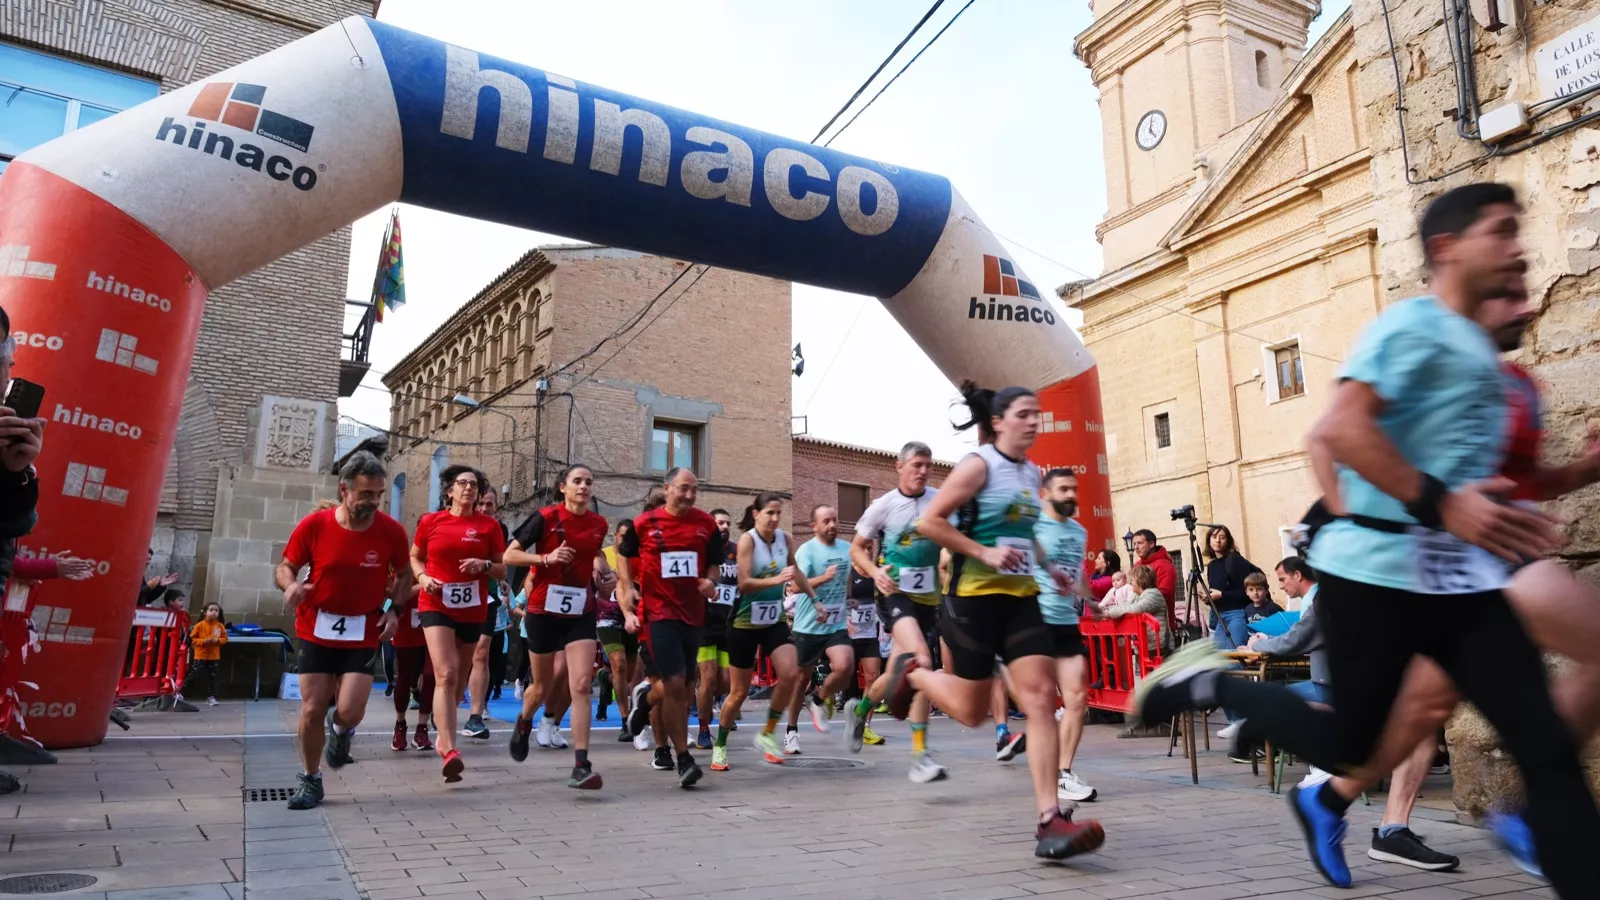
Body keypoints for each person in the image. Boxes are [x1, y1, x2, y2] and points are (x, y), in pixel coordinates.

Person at [1133, 183, 1600, 896]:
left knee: (1548, 755)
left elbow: (1477, 473)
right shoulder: (1411, 327)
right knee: (1350, 744)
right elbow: (1340, 431)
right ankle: (1207, 682)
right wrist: (1439, 504)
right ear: (1448, 249)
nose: (1517, 249)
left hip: (1464, 587)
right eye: (1501, 232)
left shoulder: (1482, 356)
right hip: (1375, 581)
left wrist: (1557, 479)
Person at [884, 383, 1105, 860]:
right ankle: (916, 674)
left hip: (1022, 600)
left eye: (1037, 415)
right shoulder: (978, 465)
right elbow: (931, 523)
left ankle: (1051, 820)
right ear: (1000, 421)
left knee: (1042, 699)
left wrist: (1052, 570)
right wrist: (983, 551)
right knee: (971, 712)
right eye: (1024, 414)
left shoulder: (1032, 473)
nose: (1033, 422)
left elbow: (1025, 533)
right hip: (973, 600)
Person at [276, 451, 410, 809]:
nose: (374, 501)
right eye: (366, 494)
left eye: (379, 494)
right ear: (345, 490)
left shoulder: (391, 531)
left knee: (349, 710)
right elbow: (286, 567)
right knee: (312, 708)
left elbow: (405, 574)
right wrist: (290, 586)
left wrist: (395, 610)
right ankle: (310, 779)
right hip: (316, 624)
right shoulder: (315, 526)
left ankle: (340, 732)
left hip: (363, 627)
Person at [845, 441, 948, 783]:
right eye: (916, 464)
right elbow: (856, 549)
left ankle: (859, 711)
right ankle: (920, 756)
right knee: (921, 660)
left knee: (895, 675)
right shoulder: (883, 506)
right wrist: (875, 573)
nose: (922, 471)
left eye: (927, 465)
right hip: (894, 595)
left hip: (929, 601)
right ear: (899, 466)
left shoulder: (939, 499)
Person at [616, 468, 722, 787]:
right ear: (668, 488)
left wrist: (711, 581)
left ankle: (646, 700)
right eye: (683, 489)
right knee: (676, 683)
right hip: (658, 613)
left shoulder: (706, 525)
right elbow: (622, 553)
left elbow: (714, 564)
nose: (689, 495)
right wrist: (627, 586)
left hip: (693, 614)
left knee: (685, 687)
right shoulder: (645, 523)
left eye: (694, 490)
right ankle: (684, 759)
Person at [505, 464, 608, 789]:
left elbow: (592, 556)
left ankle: (581, 764)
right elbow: (509, 556)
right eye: (577, 481)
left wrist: (604, 571)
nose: (584, 487)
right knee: (541, 687)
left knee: (580, 685)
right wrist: (545, 559)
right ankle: (524, 722)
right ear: (563, 487)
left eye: (588, 482)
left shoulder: (598, 524)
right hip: (543, 611)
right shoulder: (546, 517)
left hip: (580, 611)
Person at [411, 465, 507, 784]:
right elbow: (415, 557)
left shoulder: (489, 526)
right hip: (436, 603)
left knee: (459, 682)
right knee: (446, 673)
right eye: (462, 484)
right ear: (450, 491)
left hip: (472, 608)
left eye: (474, 485)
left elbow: (502, 569)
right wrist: (423, 578)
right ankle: (449, 750)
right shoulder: (430, 521)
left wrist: (485, 565)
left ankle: (443, 726)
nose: (468, 488)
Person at [709, 492, 817, 770]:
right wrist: (775, 578)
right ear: (756, 514)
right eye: (769, 512)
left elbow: (796, 573)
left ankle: (768, 733)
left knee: (792, 674)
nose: (775, 518)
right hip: (743, 623)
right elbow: (743, 583)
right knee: (738, 693)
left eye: (778, 513)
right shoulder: (748, 540)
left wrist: (814, 599)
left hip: (773, 621)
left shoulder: (784, 539)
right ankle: (720, 744)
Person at [1034, 468, 1098, 804]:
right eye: (1063, 489)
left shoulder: (1079, 530)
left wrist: (1091, 601)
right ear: (1045, 493)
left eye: (1074, 489)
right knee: (1042, 704)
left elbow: (1077, 575)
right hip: (1036, 621)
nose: (1071, 495)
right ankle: (1043, 772)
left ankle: (1063, 774)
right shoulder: (1032, 528)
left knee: (1077, 699)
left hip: (1067, 622)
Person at [785, 505, 856, 754]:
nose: (832, 525)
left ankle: (817, 698)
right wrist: (822, 579)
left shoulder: (847, 549)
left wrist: (850, 604)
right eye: (826, 521)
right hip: (809, 625)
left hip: (835, 623)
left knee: (846, 666)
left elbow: (849, 579)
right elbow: (794, 587)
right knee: (800, 679)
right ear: (814, 526)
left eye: (835, 520)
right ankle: (791, 731)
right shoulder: (806, 551)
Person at [461, 487, 511, 741]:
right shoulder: (455, 524)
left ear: (496, 507)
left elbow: (502, 565)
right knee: (457, 660)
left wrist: (495, 574)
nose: (483, 508)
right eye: (480, 503)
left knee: (481, 653)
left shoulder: (497, 531)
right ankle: (443, 703)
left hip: (486, 597)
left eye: (489, 504)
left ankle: (475, 716)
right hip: (453, 598)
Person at [598, 519, 644, 746]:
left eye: (629, 536)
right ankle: (625, 721)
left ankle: (606, 679)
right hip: (607, 617)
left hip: (633, 617)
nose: (625, 540)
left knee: (631, 675)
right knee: (619, 664)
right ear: (615, 536)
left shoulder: (639, 557)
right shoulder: (605, 555)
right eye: (622, 535)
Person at [695, 508, 737, 749]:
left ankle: (709, 701)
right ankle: (703, 729)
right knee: (708, 680)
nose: (723, 526)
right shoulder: (703, 550)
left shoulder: (736, 551)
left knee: (726, 682)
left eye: (727, 523)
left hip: (728, 623)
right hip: (705, 623)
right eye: (719, 522)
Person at [389, 587, 435, 752]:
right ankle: (400, 725)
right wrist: (424, 582)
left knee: (431, 675)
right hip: (407, 615)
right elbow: (394, 590)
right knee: (405, 676)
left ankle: (422, 728)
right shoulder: (402, 563)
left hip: (434, 612)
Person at [1203, 524, 1261, 652]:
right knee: (1219, 658)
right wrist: (1209, 599)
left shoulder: (1235, 560)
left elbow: (1247, 591)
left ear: (1228, 541)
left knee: (1236, 656)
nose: (1217, 540)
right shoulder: (1211, 566)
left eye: (1222, 537)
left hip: (1237, 614)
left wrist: (1222, 595)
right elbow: (1217, 592)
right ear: (1209, 540)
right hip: (1220, 616)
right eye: (1214, 537)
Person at [845, 565, 886, 746]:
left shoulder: (876, 572)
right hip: (847, 634)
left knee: (873, 677)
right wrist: (844, 616)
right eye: (865, 547)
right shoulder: (848, 573)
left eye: (871, 547)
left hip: (869, 634)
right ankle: (824, 696)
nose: (868, 550)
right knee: (843, 674)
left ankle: (865, 726)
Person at [1100, 565, 1170, 659]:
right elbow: (1125, 606)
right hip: (1146, 645)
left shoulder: (1153, 594)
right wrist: (1108, 609)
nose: (1130, 582)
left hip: (1156, 647)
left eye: (1132, 580)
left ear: (1140, 580)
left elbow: (1135, 609)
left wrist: (1110, 613)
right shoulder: (1138, 596)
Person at [181, 602, 226, 707]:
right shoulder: (199, 625)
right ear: (205, 612)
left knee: (212, 676)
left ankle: (211, 696)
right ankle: (180, 691)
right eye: (211, 610)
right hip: (201, 654)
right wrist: (203, 641)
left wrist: (218, 641)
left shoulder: (220, 626)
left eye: (216, 611)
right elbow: (192, 639)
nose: (214, 612)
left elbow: (225, 638)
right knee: (194, 673)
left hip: (214, 655)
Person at [1130, 530, 1177, 626]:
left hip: (1160, 624)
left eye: (1140, 543)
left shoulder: (1164, 565)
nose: (1136, 547)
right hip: (1139, 623)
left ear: (1151, 544)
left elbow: (1165, 593)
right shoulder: (1137, 565)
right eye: (1134, 544)